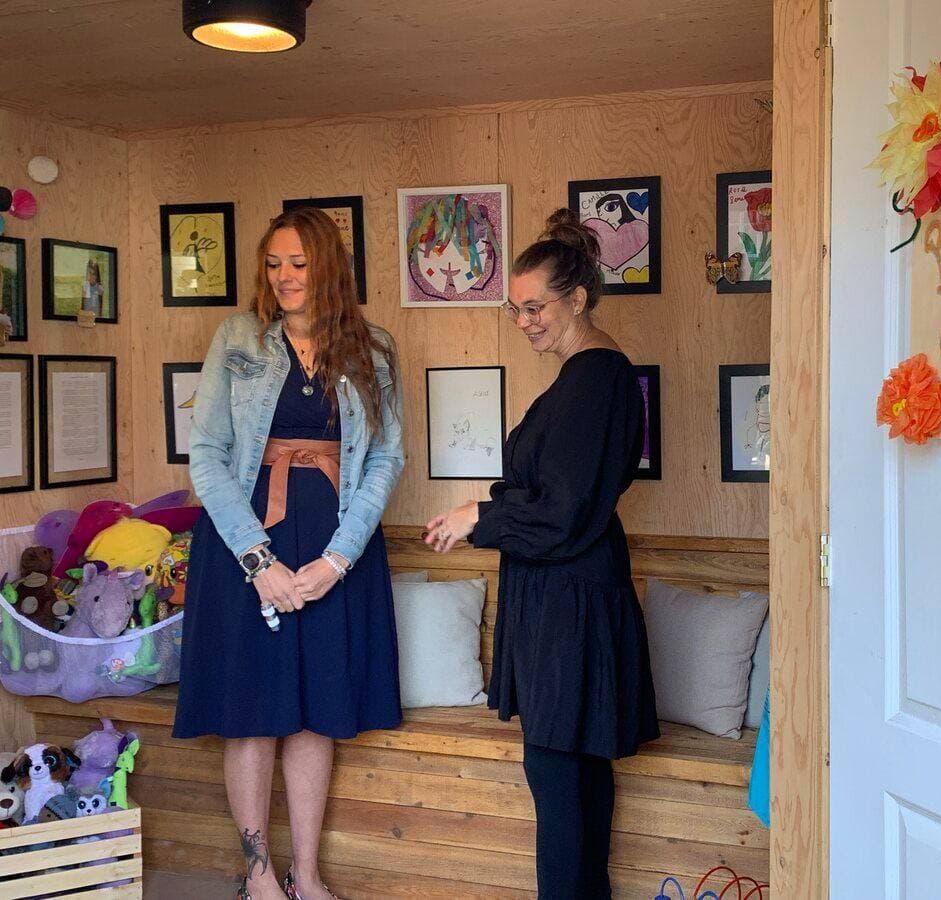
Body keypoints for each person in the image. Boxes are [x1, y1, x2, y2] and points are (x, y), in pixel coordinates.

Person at [425, 209, 659, 898]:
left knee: (559, 778)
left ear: (577, 299)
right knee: (575, 776)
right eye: (515, 309)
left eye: (536, 308)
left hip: (569, 605)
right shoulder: (587, 377)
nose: (525, 322)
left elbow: (564, 511)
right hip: (567, 599)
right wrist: (488, 514)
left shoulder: (595, 380)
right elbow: (563, 500)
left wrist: (480, 514)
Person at [173, 207, 405, 900]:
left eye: (299, 264)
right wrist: (256, 559)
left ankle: (306, 874)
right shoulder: (238, 338)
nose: (284, 277)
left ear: (329, 267)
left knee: (315, 712)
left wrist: (338, 560)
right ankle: (258, 877)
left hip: (335, 553)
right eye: (274, 264)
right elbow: (207, 455)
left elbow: (386, 459)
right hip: (245, 548)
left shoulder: (376, 348)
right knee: (252, 711)